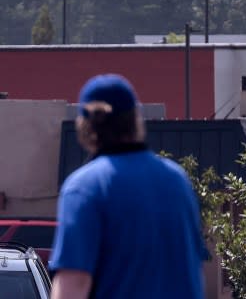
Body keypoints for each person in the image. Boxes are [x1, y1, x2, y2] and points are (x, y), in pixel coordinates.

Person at [49, 74, 206, 299]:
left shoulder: (84, 188)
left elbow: (74, 284)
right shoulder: (178, 181)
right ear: (135, 120)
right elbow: (194, 272)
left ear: (86, 124)